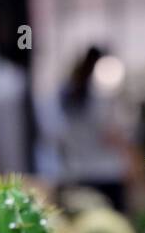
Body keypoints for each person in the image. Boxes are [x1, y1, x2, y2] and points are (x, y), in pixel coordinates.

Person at [43, 45, 131, 210]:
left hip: (77, 173)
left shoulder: (66, 94)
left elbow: (56, 135)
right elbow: (111, 134)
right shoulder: (103, 94)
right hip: (107, 174)